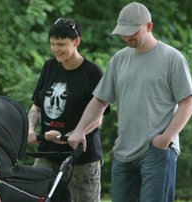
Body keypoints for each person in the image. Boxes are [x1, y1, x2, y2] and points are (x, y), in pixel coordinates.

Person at [68, 2, 192, 202]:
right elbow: (100, 100)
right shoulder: (118, 59)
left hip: (157, 152)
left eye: (133, 32)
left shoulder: (172, 58)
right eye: (123, 32)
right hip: (123, 153)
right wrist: (79, 130)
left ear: (149, 26)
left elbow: (188, 103)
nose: (127, 37)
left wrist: (165, 139)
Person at [27, 18, 110, 202]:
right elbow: (36, 107)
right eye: (53, 44)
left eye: (61, 44)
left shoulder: (93, 73)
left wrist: (72, 135)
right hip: (47, 153)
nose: (56, 49)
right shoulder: (49, 67)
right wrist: (31, 129)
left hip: (81, 158)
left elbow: (98, 119)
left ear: (76, 41)